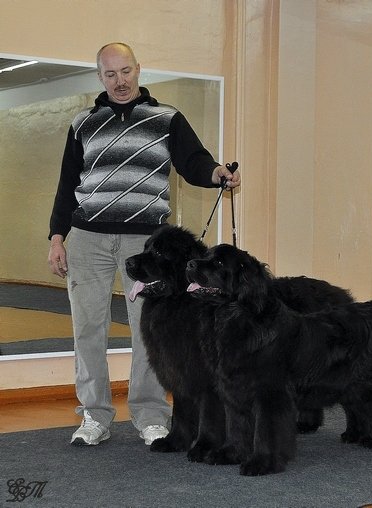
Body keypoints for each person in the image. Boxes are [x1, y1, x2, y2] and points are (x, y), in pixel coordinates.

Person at [47, 42, 240, 446]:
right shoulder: (83, 122)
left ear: (139, 70)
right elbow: (68, 184)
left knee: (150, 332)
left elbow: (193, 161)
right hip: (88, 239)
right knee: (88, 331)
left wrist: (217, 171)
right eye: (110, 74)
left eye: (126, 71)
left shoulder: (166, 118)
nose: (120, 81)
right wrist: (57, 237)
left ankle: (151, 415)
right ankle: (94, 416)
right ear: (100, 76)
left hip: (146, 242)